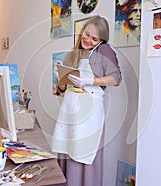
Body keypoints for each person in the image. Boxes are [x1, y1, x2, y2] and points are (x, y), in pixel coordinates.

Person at [51, 15, 122, 186]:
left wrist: (90, 81)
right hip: (69, 113)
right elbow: (62, 90)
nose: (88, 39)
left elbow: (116, 78)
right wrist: (60, 80)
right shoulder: (74, 54)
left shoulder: (104, 50)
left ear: (101, 39)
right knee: (68, 153)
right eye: (86, 34)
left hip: (88, 116)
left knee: (83, 155)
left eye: (94, 38)